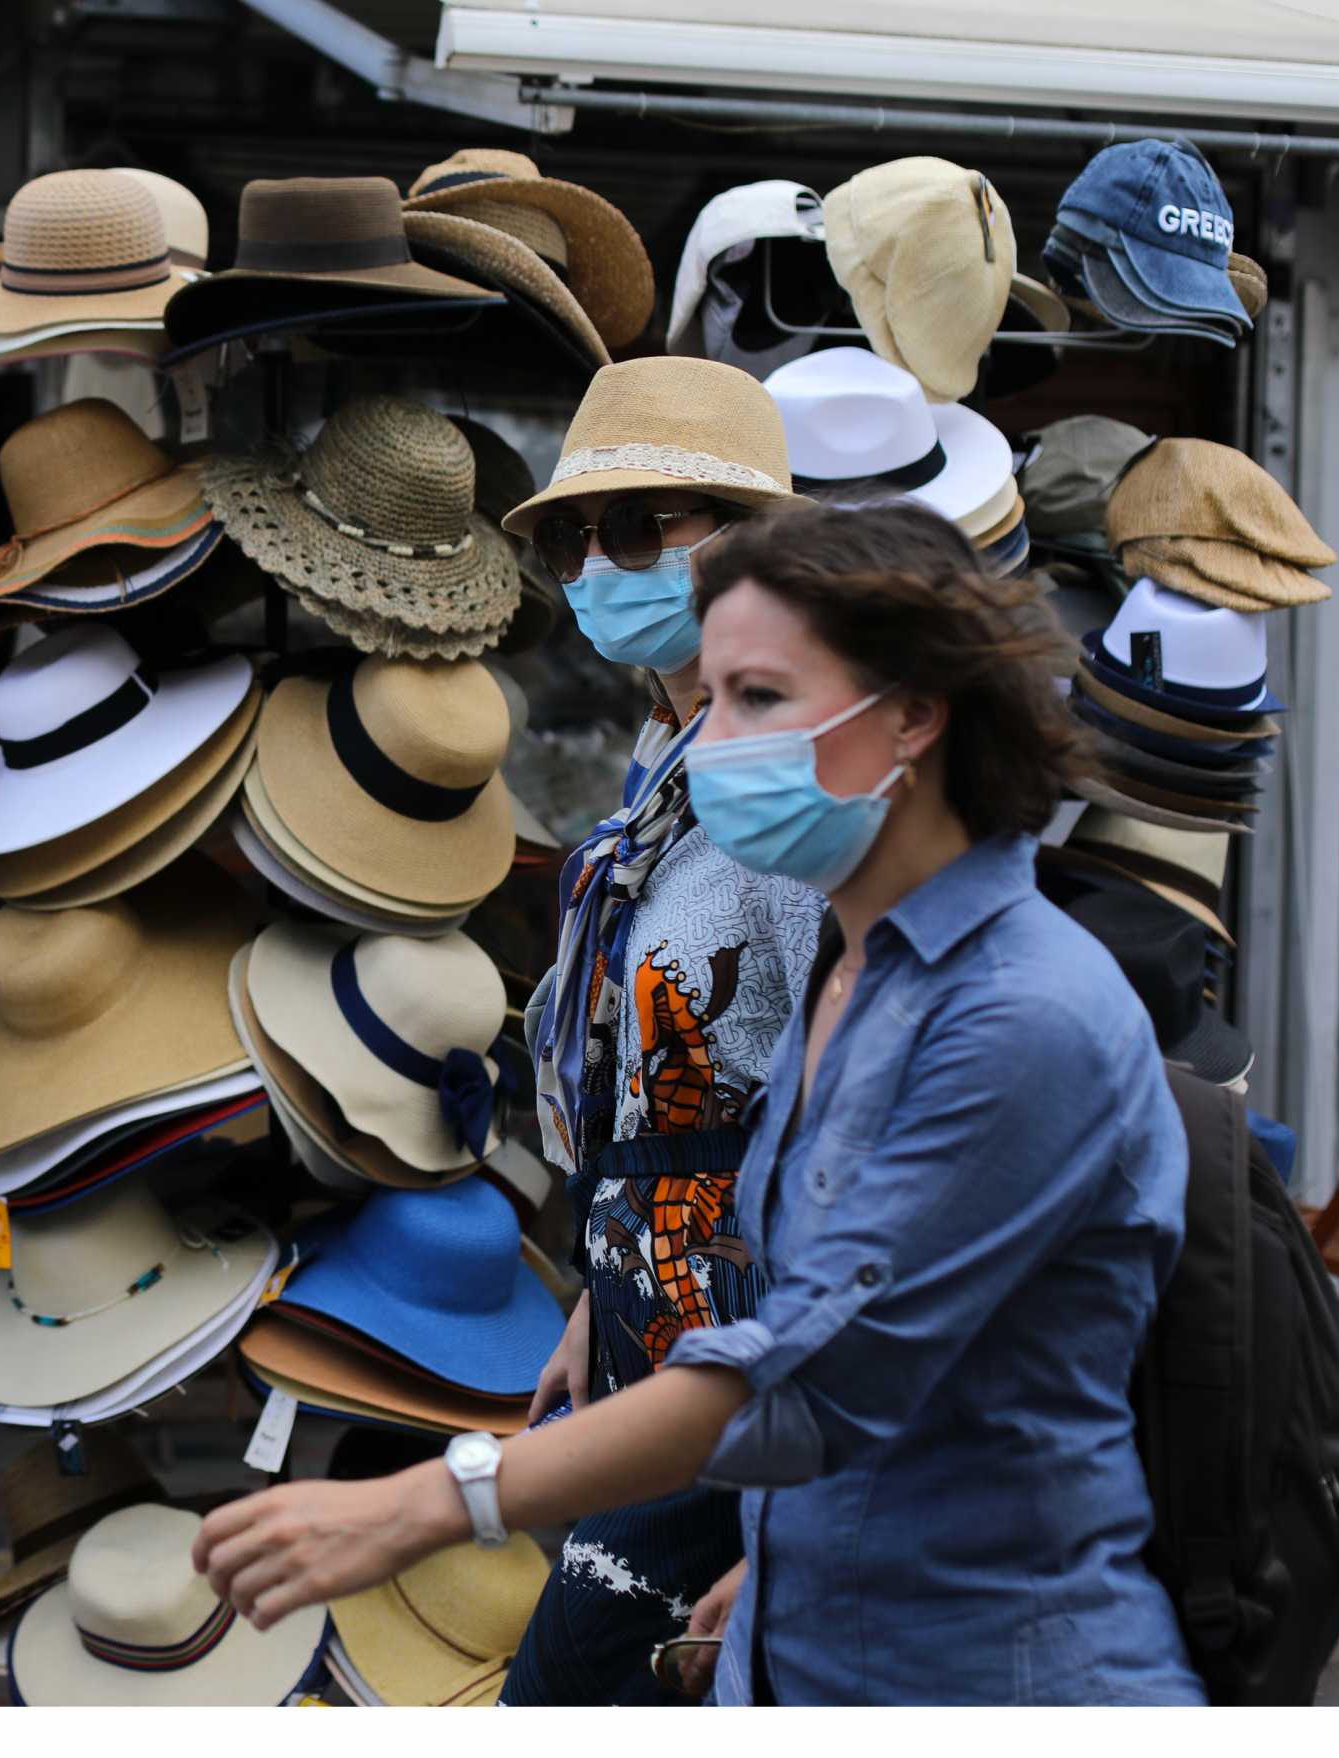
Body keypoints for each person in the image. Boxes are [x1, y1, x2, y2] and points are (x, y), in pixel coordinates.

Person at [193, 502, 1202, 1706]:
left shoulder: (1013, 1013)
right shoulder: (863, 978)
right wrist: (771, 1557)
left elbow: (810, 1377)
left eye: (760, 699)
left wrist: (429, 1502)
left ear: (914, 716)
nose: (713, 742)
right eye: (712, 698)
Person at [497, 358, 825, 1704]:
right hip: (653, 1319)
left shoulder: (790, 786)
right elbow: (657, 1090)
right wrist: (601, 1290)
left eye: (638, 528)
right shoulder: (658, 780)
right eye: (577, 536)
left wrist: (798, 1508)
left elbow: (831, 1102)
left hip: (750, 1340)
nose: (595, 561)